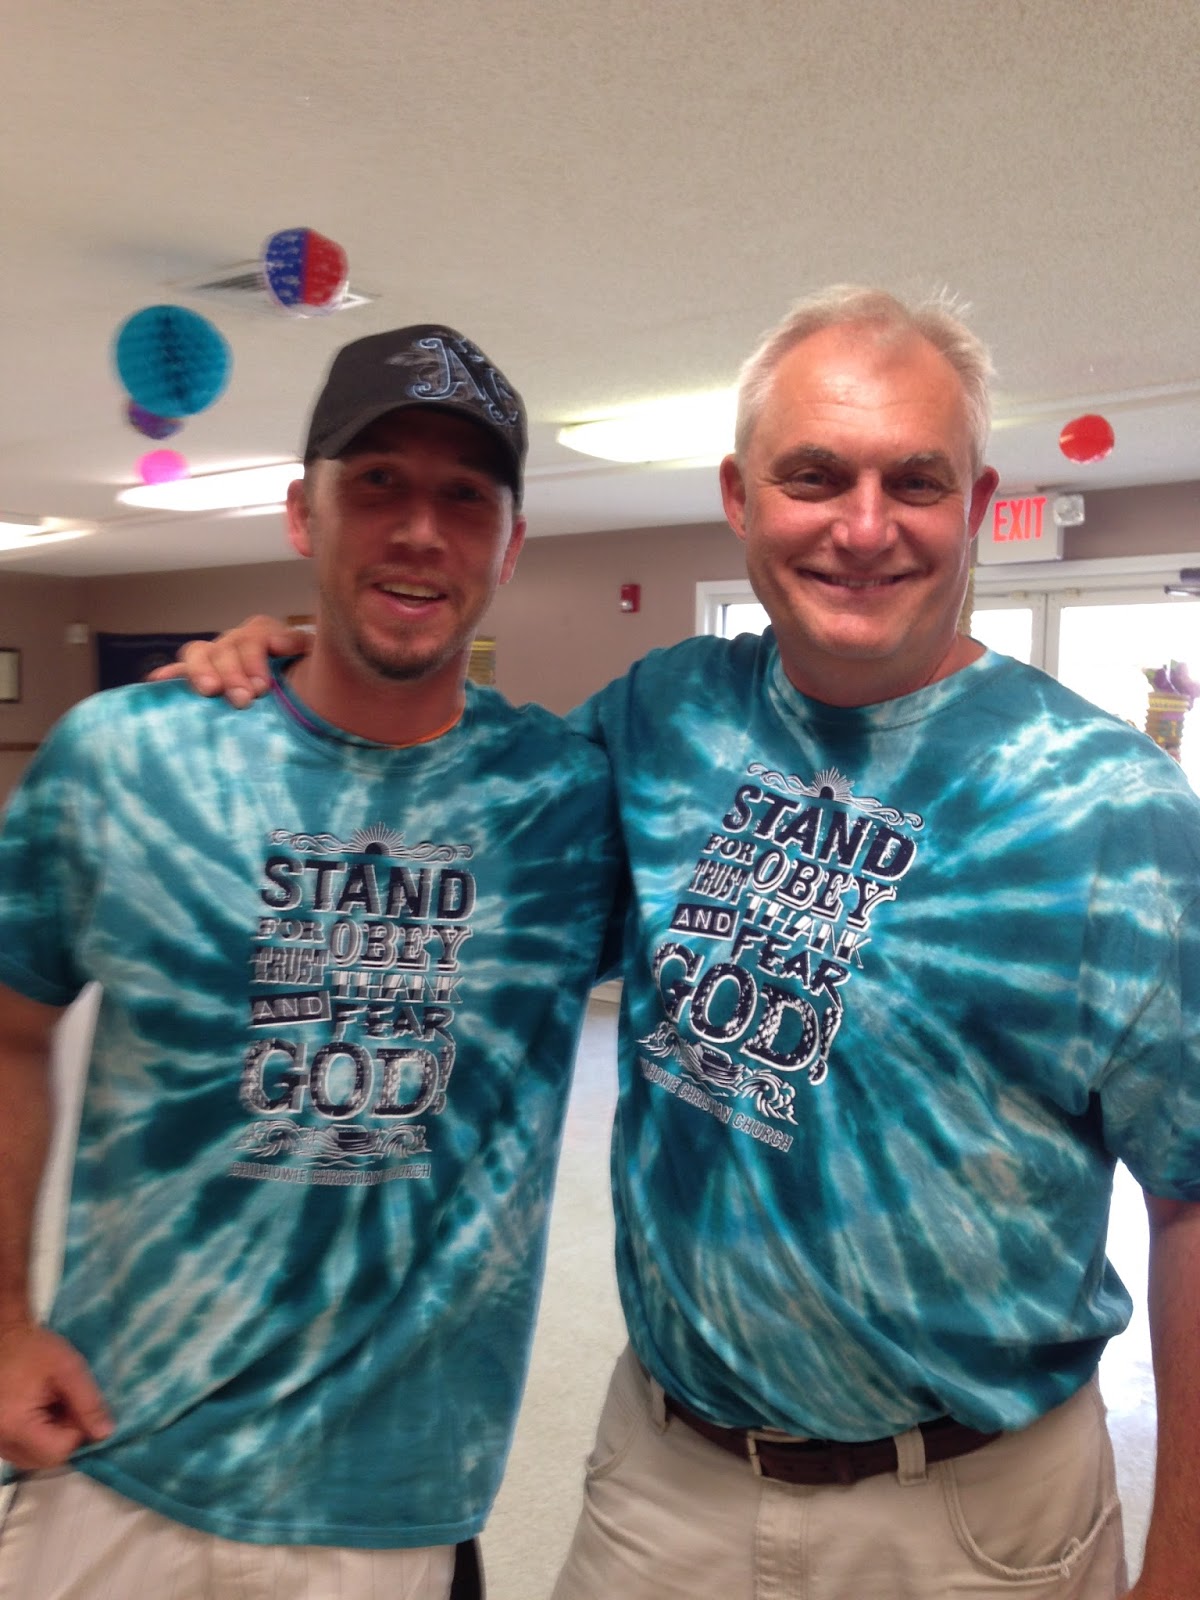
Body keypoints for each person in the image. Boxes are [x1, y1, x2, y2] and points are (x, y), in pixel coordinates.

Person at [162, 288, 1200, 1600]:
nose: (863, 525)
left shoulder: (1110, 810)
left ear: (977, 500)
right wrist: (314, 667)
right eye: (814, 475)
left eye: (914, 480)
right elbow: (451, 848)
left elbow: (1191, 1196)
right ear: (739, 497)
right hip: (668, 1486)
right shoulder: (663, 714)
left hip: (973, 1517)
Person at [0, 324, 621, 1599]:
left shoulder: (568, 803)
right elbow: (8, 1027)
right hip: (114, 1456)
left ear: (510, 544)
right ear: (304, 512)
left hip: (387, 1504)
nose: (419, 530)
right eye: (378, 482)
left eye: (466, 495)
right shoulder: (125, 757)